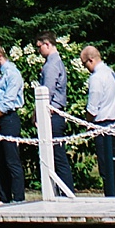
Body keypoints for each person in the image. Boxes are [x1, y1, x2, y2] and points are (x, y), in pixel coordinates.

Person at [0, 43, 26, 203]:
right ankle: (4, 197)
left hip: (8, 119)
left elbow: (8, 101)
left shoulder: (13, 74)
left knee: (11, 160)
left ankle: (18, 197)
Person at [79, 45, 115, 195]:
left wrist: (87, 122)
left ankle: (111, 196)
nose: (85, 67)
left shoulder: (96, 78)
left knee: (106, 167)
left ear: (90, 60)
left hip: (103, 124)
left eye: (84, 64)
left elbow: (93, 106)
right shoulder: (110, 72)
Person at [35, 34, 76, 192]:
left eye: (39, 46)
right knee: (53, 157)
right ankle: (59, 191)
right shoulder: (54, 62)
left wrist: (38, 113)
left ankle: (66, 192)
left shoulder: (51, 65)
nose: (38, 50)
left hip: (53, 114)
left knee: (57, 157)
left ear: (47, 44)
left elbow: (47, 91)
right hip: (55, 113)